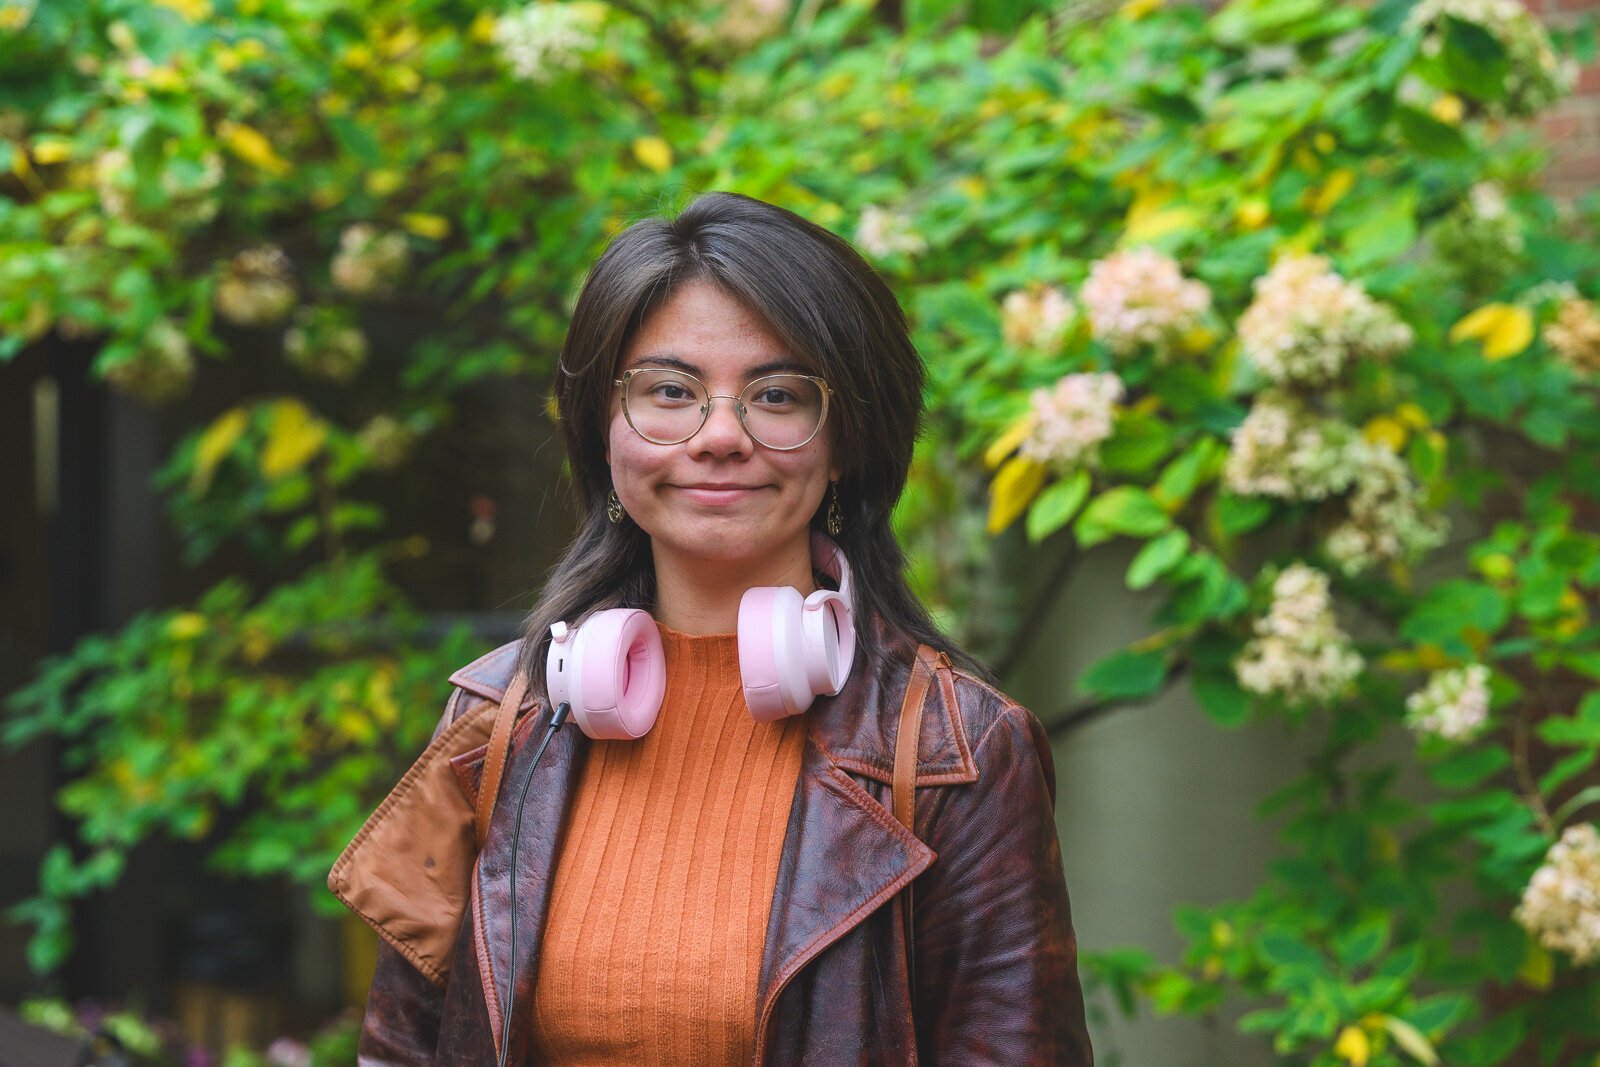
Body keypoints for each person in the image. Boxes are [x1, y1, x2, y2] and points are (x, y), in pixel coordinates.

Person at [334, 191, 1094, 1065]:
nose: (720, 435)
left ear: (843, 442)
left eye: (776, 395)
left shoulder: (958, 751)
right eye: (669, 391)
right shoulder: (497, 724)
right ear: (604, 433)